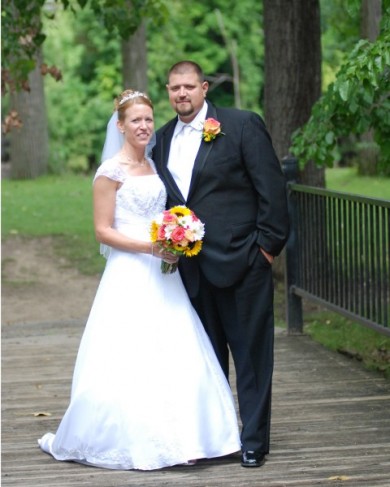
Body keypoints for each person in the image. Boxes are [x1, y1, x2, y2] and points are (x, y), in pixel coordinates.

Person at [38, 89, 241, 470]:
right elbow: (102, 231)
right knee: (130, 350)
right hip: (131, 270)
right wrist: (150, 248)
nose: (144, 125)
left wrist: (177, 235)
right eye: (136, 120)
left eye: (148, 119)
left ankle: (192, 437)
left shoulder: (152, 165)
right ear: (120, 126)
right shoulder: (109, 172)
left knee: (175, 344)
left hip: (164, 271)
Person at [153, 61, 290, 468]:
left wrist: (266, 249)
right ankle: (217, 438)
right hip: (191, 271)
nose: (182, 94)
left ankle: (253, 441)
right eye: (174, 88)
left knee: (251, 358)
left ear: (204, 87)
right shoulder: (161, 140)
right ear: (167, 91)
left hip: (243, 261)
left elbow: (272, 190)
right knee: (205, 361)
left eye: (189, 86)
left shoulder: (241, 124)